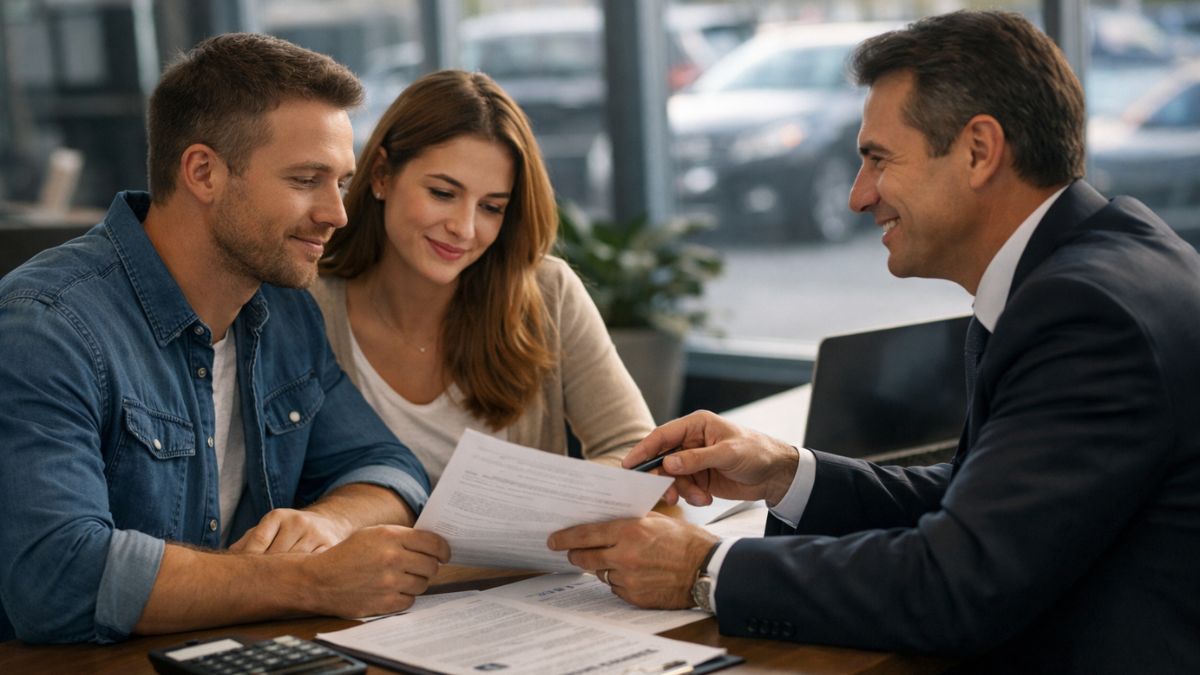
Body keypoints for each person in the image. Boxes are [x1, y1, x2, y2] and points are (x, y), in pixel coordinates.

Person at [548, 10, 1200, 672]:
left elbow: (955, 584)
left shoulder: (1083, 315)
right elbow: (985, 501)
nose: (859, 197)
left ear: (979, 150)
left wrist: (703, 567)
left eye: (879, 159)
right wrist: (786, 474)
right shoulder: (1109, 260)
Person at [0, 33, 451, 644]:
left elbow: (389, 468)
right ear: (203, 172)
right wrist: (309, 581)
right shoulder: (45, 327)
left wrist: (329, 523)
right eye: (306, 179)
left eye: (341, 182)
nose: (337, 214)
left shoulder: (285, 309)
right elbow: (56, 580)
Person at [311, 69, 654, 484]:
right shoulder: (307, 303)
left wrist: (536, 501)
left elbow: (637, 451)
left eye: (491, 207)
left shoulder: (548, 292)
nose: (465, 228)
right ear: (382, 175)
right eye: (443, 193)